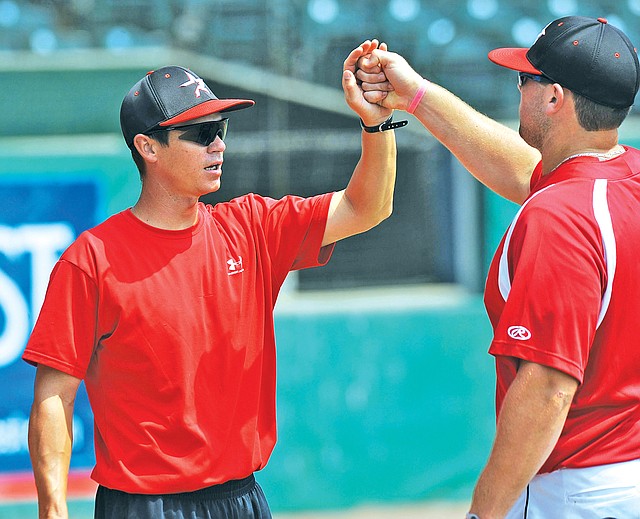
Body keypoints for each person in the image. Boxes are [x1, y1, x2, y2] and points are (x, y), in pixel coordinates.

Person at [23, 40, 405, 519]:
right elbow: (54, 397)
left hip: (241, 499)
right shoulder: (90, 260)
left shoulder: (252, 226)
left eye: (220, 129)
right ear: (148, 147)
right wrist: (53, 509)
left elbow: (368, 206)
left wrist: (377, 121)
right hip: (141, 507)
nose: (219, 145)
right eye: (201, 133)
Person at [357, 16, 640, 519]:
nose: (520, 90)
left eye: (525, 80)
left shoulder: (561, 215)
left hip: (572, 492)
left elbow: (548, 390)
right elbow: (526, 170)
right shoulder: (624, 178)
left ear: (554, 98)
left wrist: (482, 513)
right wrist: (416, 96)